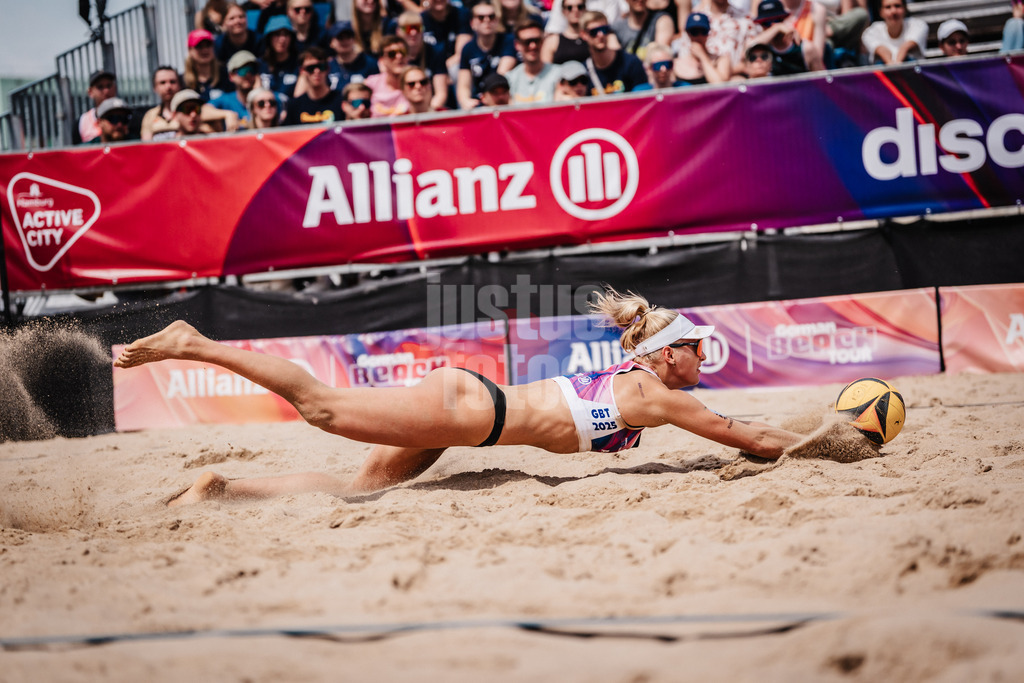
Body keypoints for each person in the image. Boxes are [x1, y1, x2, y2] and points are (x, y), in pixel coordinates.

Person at [113, 288, 806, 507]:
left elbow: (743, 424)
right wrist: (827, 439)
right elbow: (748, 436)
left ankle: (222, 488)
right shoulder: (659, 393)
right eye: (698, 349)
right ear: (664, 353)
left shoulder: (645, 383)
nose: (704, 360)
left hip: (471, 416)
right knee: (323, 407)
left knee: (356, 493)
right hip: (472, 412)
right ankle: (191, 341)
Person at [141, 66, 240, 140]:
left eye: (172, 82)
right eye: (163, 82)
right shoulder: (150, 116)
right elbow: (146, 149)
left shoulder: (204, 124)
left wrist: (229, 114)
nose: (168, 87)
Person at [672, 0, 759, 78]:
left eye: (703, 32)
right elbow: (685, 55)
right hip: (700, 78)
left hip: (734, 82)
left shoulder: (745, 19)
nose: (699, 34)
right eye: (695, 33)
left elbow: (751, 59)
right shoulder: (696, 17)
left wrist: (723, 72)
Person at [456, 2, 517, 109]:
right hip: (480, 99)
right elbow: (463, 85)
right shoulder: (468, 48)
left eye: (491, 16)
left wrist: (487, 99)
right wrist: (465, 101)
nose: (487, 20)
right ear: (472, 23)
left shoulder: (508, 41)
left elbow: (499, 78)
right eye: (481, 17)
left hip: (501, 96)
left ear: (497, 21)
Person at [579, 11, 647, 94]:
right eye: (594, 31)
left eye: (604, 29)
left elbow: (644, 99)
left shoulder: (631, 63)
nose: (600, 35)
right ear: (583, 35)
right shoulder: (583, 73)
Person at [395, 10, 449, 110]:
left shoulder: (435, 52)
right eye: (408, 28)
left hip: (430, 109)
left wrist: (426, 113)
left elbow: (441, 94)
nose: (413, 32)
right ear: (398, 32)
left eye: (417, 28)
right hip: (403, 109)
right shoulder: (394, 55)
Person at [747, 0, 811, 75]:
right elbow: (749, 47)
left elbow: (822, 81)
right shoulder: (762, 48)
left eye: (777, 20)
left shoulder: (804, 48)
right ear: (761, 26)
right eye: (767, 23)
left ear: (784, 19)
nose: (772, 25)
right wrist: (777, 27)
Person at [284, 47, 346, 124]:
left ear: (328, 69)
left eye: (321, 67)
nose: (317, 71)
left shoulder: (341, 101)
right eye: (311, 68)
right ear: (302, 71)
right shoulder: (294, 106)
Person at [506, 20, 562, 104]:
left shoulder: (559, 75)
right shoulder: (510, 80)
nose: (533, 46)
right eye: (527, 42)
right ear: (517, 45)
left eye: (536, 40)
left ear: (543, 42)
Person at [860, 0, 927, 65]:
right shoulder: (871, 32)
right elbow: (883, 51)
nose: (893, 11)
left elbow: (905, 48)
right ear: (881, 12)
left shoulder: (919, 25)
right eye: (888, 7)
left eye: (897, 6)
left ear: (905, 9)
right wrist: (892, 64)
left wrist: (895, 64)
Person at [324, 20, 380, 93]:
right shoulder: (327, 67)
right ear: (331, 43)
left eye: (348, 36)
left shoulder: (370, 63)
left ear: (354, 39)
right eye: (340, 37)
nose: (345, 41)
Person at [672, 12, 729, 84]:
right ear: (688, 33)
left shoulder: (721, 60)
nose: (699, 37)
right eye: (694, 32)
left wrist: (703, 57)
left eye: (703, 31)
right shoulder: (676, 64)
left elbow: (719, 86)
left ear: (708, 33)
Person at [364, 36, 412, 116]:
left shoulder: (418, 83)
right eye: (392, 54)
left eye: (403, 52)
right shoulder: (370, 84)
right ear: (382, 60)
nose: (399, 56)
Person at [210, 50, 261, 124]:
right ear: (231, 76)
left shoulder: (269, 100)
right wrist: (227, 114)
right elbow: (203, 111)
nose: (248, 74)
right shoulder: (226, 100)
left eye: (252, 70)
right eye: (243, 71)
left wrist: (259, 93)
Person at [258, 15, 302, 98]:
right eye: (277, 34)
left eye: (286, 34)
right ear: (269, 37)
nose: (282, 39)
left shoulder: (299, 64)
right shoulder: (259, 65)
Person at [184, 29, 234, 101]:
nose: (205, 50)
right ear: (190, 50)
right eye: (199, 46)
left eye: (208, 45)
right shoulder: (183, 82)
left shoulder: (226, 74)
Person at [540, 0, 591, 65]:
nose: (575, 10)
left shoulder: (593, 36)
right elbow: (545, 69)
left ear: (585, 9)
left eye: (580, 7)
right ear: (563, 11)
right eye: (569, 7)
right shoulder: (553, 41)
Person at [78, 70, 118, 144]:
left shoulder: (129, 117)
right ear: (90, 92)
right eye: (100, 87)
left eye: (109, 86)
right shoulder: (82, 121)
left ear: (115, 88)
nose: (106, 90)